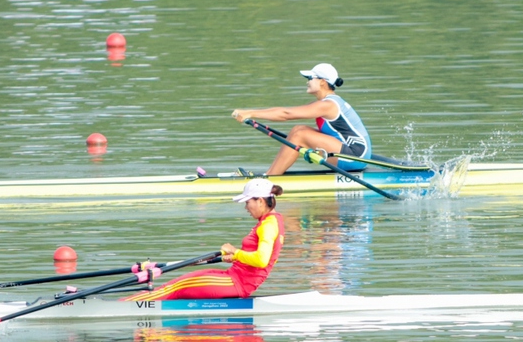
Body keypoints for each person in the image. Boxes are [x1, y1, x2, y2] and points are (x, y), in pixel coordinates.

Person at [124, 179, 284, 300]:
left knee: (176, 287)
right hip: (234, 276)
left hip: (239, 282)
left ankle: (123, 305)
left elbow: (262, 260)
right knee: (177, 283)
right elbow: (257, 256)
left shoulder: (269, 225)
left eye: (247, 202)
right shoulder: (270, 221)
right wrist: (235, 257)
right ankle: (128, 303)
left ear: (261, 201)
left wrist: (236, 251)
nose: (245, 207)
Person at [231, 63, 372, 175]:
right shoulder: (325, 103)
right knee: (299, 129)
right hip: (351, 152)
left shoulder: (328, 105)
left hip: (355, 156)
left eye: (310, 78)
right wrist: (250, 112)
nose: (307, 82)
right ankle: (269, 174)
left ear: (323, 82)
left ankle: (270, 179)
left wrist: (250, 113)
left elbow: (286, 114)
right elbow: (288, 112)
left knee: (300, 134)